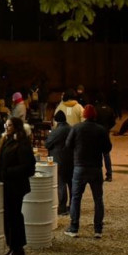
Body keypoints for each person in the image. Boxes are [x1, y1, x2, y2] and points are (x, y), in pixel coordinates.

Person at [64, 104, 112, 239]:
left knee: (76, 198)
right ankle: (98, 229)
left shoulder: (77, 128)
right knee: (98, 198)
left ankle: (74, 227)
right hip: (95, 167)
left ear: (84, 115)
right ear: (95, 115)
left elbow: (68, 145)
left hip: (80, 166)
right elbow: (107, 148)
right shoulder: (101, 130)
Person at [0, 115, 37, 255]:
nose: (6, 127)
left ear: (16, 127)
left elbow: (29, 167)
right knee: (8, 216)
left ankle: (17, 248)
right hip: (6, 185)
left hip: (15, 186)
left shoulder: (22, 144)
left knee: (14, 217)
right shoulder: (7, 140)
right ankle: (12, 246)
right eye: (6, 125)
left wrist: (8, 172)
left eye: (10, 125)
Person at [44, 110, 74, 216]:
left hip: (60, 160)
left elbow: (47, 144)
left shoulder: (57, 131)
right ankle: (73, 206)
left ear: (56, 120)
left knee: (61, 184)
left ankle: (62, 208)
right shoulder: (71, 129)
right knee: (71, 184)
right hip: (71, 159)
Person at [96, 100, 117, 181]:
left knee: (97, 155)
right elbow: (113, 121)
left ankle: (98, 174)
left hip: (97, 133)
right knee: (106, 154)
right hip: (105, 132)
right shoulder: (109, 109)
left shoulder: (96, 109)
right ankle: (109, 174)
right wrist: (108, 128)